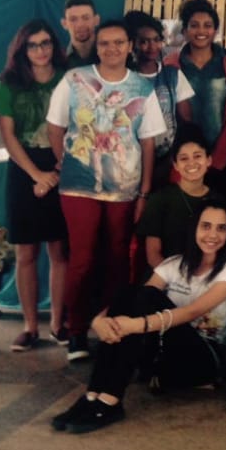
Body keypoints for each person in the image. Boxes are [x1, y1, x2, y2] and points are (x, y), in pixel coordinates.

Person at [49, 199, 226, 433]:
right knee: (131, 293)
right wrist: (99, 321)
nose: (213, 235)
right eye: (206, 226)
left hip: (204, 359)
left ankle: (110, 400)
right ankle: (92, 395)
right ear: (194, 228)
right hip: (163, 354)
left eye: (221, 228)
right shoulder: (174, 264)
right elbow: (135, 300)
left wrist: (136, 325)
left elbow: (191, 312)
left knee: (147, 296)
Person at [46, 19, 166, 362]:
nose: (111, 49)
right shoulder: (74, 79)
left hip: (125, 188)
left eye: (118, 43)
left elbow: (148, 142)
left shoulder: (142, 87)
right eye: (104, 43)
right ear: (96, 47)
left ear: (129, 46)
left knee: (117, 258)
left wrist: (144, 192)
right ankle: (77, 331)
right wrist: (67, 161)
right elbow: (55, 126)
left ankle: (113, 325)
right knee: (82, 259)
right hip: (78, 187)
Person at [0, 19, 70, 350]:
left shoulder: (69, 78)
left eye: (46, 43)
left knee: (59, 250)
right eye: (33, 45)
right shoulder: (9, 84)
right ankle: (29, 327)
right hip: (23, 168)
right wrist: (37, 175)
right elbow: (8, 136)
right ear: (22, 49)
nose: (40, 50)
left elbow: (79, 127)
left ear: (54, 45)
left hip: (62, 163)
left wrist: (59, 170)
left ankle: (57, 323)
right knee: (26, 251)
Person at [168, 0, 226, 233]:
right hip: (186, 161)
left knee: (219, 221)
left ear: (215, 30)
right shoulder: (171, 65)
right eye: (194, 25)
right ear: (184, 30)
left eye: (207, 25)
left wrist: (218, 157)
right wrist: (188, 158)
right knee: (185, 221)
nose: (201, 31)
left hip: (224, 159)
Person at [123, 10, 194, 190]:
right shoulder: (125, 78)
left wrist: (174, 156)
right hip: (130, 161)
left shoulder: (172, 75)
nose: (152, 46)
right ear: (132, 44)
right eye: (144, 41)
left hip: (166, 158)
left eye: (156, 39)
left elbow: (186, 120)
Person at [136, 127, 213, 270]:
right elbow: (153, 255)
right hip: (165, 276)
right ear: (175, 165)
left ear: (209, 160)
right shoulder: (159, 199)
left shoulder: (217, 200)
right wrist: (179, 281)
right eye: (184, 158)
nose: (191, 163)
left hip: (206, 277)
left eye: (197, 156)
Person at [62, 0, 99, 68]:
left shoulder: (111, 55)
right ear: (64, 24)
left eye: (86, 18)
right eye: (73, 19)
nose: (80, 25)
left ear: (96, 20)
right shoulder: (59, 60)